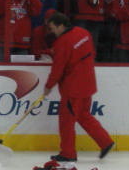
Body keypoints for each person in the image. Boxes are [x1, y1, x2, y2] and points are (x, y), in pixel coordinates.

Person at [43, 11, 115, 162]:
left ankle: (68, 153)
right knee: (83, 115)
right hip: (88, 83)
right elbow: (91, 53)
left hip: (73, 88)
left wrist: (49, 85)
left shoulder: (62, 42)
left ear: (61, 25)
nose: (52, 32)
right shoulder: (83, 33)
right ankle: (105, 141)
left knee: (66, 121)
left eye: (52, 28)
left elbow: (58, 68)